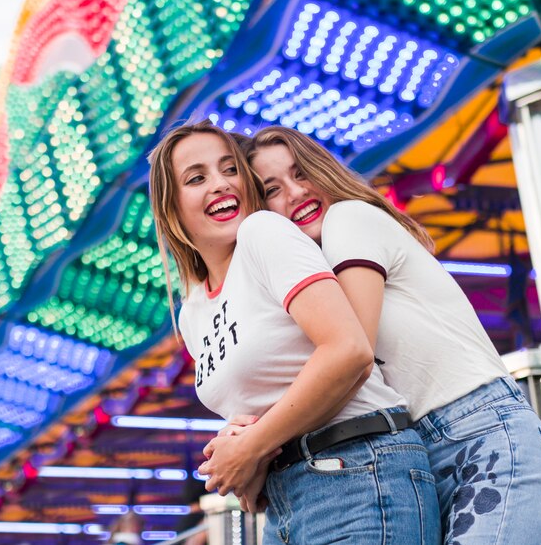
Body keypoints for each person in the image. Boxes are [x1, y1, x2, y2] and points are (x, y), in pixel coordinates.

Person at [242, 125, 541, 544]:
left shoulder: (347, 217)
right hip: (418, 452)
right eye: (271, 190)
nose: (295, 193)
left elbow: (353, 357)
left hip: (478, 430)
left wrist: (254, 448)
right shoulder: (311, 281)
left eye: (302, 173)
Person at [148, 120, 441, 544]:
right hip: (288, 498)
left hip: (357, 468)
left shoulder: (263, 233)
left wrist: (249, 448)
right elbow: (258, 407)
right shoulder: (193, 311)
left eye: (230, 170)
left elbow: (348, 350)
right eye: (197, 178)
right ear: (171, 209)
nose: (220, 184)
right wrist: (237, 441)